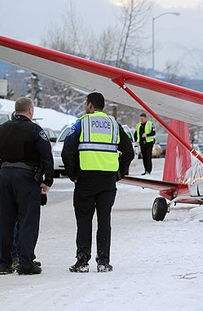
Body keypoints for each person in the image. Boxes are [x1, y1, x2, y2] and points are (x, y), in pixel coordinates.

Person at [62, 92, 135, 272]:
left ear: (90, 105)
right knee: (104, 220)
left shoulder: (81, 123)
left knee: (84, 220)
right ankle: (103, 261)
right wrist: (119, 173)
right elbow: (129, 152)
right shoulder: (114, 125)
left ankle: (82, 261)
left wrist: (73, 174)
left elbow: (67, 152)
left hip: (86, 179)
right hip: (108, 181)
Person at [0, 97, 54, 275]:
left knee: (6, 220)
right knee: (27, 220)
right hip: (27, 178)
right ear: (30, 111)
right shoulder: (35, 130)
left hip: (6, 177)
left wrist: (2, 163)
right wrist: (47, 181)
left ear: (16, 110)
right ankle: (26, 263)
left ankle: (4, 264)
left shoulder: (2, 128)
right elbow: (46, 156)